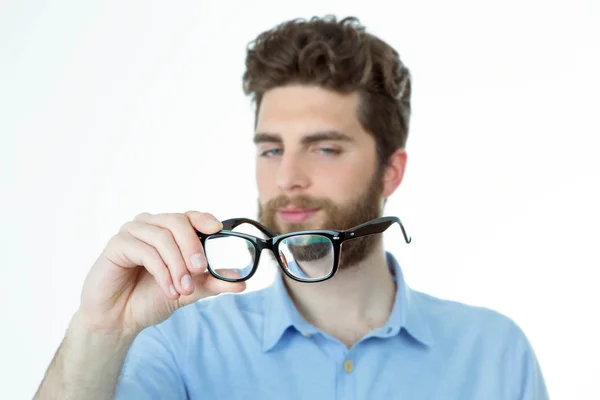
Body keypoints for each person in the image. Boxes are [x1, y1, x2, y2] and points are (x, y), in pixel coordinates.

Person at [34, 16, 549, 399]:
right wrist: (102, 331)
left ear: (391, 171)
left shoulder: (495, 354)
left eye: (324, 148)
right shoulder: (178, 344)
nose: (287, 178)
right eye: (272, 149)